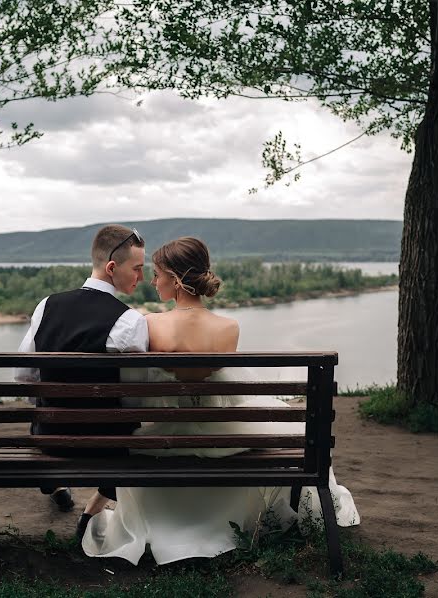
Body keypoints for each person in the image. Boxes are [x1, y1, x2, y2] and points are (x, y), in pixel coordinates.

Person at [81, 236, 360, 565]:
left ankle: (163, 525)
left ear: (175, 278)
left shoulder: (150, 324)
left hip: (167, 440)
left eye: (157, 274)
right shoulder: (229, 327)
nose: (153, 281)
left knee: (138, 444)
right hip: (225, 438)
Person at [15, 224, 149, 538]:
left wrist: (54, 408)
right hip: (109, 446)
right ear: (113, 267)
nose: (141, 277)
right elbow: (136, 400)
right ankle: (93, 510)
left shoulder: (47, 305)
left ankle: (57, 480)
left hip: (51, 437)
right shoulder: (130, 321)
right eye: (138, 269)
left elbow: (23, 377)